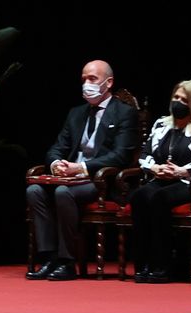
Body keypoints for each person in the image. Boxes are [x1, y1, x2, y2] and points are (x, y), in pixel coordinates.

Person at [25, 60, 140, 280]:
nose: (87, 84)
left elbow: (121, 155)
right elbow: (57, 147)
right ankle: (49, 258)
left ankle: (67, 261)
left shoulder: (124, 113)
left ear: (109, 82)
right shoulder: (76, 113)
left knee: (62, 193)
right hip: (69, 178)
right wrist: (56, 163)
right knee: (35, 191)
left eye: (92, 79)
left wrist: (81, 168)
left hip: (100, 182)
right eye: (84, 79)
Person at [129, 79, 191, 283]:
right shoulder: (161, 124)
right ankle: (142, 263)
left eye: (184, 100)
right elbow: (144, 154)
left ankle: (161, 264)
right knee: (138, 196)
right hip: (161, 178)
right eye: (176, 97)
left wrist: (182, 171)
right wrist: (155, 167)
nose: (178, 102)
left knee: (159, 198)